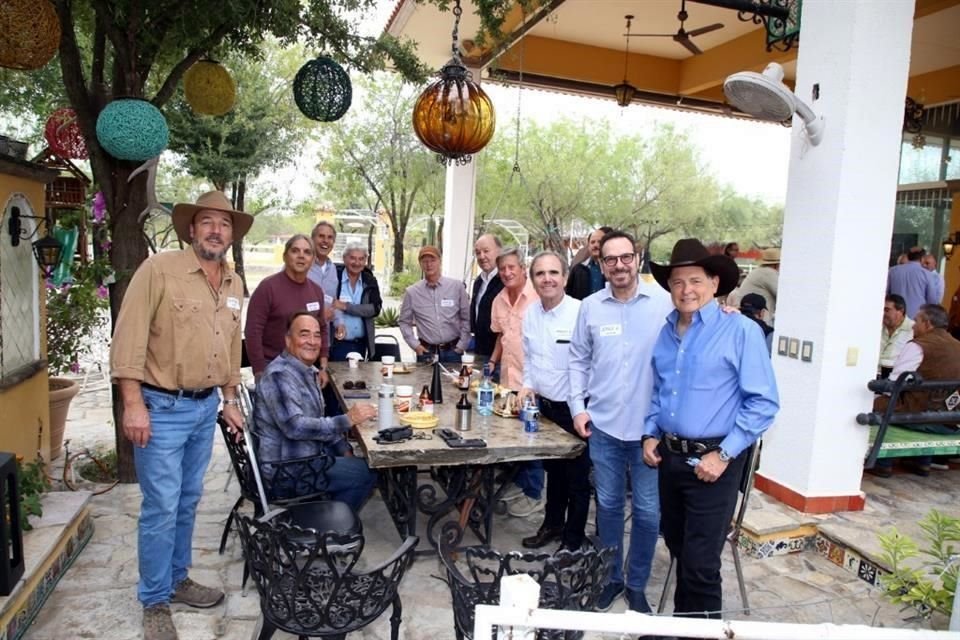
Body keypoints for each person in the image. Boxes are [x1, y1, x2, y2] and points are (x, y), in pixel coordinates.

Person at [110, 190, 252, 640]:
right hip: (160, 407)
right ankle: (154, 600)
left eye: (224, 224)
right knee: (161, 507)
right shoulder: (159, 270)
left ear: (232, 234)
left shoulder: (234, 283)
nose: (216, 230)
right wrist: (133, 404)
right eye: (208, 222)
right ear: (191, 229)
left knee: (188, 501)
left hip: (203, 408)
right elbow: (127, 338)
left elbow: (232, 346)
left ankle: (177, 579)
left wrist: (229, 399)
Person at [643, 238, 779, 622]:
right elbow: (660, 392)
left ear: (715, 284)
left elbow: (764, 403)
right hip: (670, 459)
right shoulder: (667, 332)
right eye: (677, 282)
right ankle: (685, 628)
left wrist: (722, 455)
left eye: (696, 280)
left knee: (701, 563)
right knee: (679, 548)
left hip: (714, 461)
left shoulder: (741, 331)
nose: (686, 290)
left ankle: (699, 631)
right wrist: (649, 433)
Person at [568, 229, 675, 613]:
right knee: (609, 507)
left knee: (648, 513)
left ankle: (637, 583)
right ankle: (611, 578)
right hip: (605, 428)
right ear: (601, 264)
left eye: (625, 257)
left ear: (637, 257)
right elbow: (578, 360)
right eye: (610, 259)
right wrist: (578, 408)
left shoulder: (665, 304)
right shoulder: (591, 307)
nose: (619, 265)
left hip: (650, 433)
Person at [253, 312, 379, 508]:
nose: (312, 342)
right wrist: (347, 419)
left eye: (317, 335)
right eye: (304, 334)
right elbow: (295, 427)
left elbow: (319, 421)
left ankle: (326, 512)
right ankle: (328, 528)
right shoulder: (279, 375)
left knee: (355, 462)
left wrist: (343, 449)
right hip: (288, 470)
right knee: (366, 473)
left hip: (308, 456)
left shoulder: (308, 371)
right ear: (288, 340)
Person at [517, 251, 589, 551]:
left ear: (565, 278)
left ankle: (572, 542)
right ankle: (552, 525)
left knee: (577, 481)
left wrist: (581, 410)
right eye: (540, 274)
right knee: (554, 475)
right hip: (544, 409)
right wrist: (526, 386)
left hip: (575, 411)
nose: (547, 279)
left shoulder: (581, 312)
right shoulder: (531, 314)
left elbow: (589, 364)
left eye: (553, 273)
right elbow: (531, 360)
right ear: (533, 279)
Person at [871, 304, 960, 477]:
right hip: (950, 419)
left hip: (920, 416)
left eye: (917, 320)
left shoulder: (919, 346)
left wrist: (878, 397)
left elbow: (894, 384)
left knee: (879, 404)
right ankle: (922, 462)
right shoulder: (958, 345)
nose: (913, 325)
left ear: (927, 324)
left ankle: (883, 463)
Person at [487, 248, 543, 518]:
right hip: (508, 378)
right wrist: (492, 362)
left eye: (512, 267)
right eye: (503, 269)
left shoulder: (537, 297)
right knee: (512, 435)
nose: (507, 273)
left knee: (532, 437)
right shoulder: (498, 299)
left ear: (523, 268)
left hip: (531, 381)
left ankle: (534, 494)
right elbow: (501, 337)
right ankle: (519, 484)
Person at [245, 234, 329, 380]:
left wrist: (323, 367)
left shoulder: (316, 291)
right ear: (285, 256)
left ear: (313, 260)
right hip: (272, 368)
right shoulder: (268, 287)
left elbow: (322, 328)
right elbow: (253, 332)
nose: (301, 256)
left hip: (306, 370)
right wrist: (259, 371)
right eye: (295, 251)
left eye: (307, 252)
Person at [399, 245, 470, 363]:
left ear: (440, 261)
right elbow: (404, 322)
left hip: (453, 351)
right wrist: (415, 345)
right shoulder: (412, 292)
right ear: (420, 264)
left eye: (433, 260)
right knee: (425, 381)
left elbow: (466, 318)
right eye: (425, 261)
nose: (429, 264)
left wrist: (462, 345)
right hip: (426, 352)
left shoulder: (456, 287)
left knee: (454, 381)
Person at [330, 243, 382, 360]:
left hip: (361, 344)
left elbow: (375, 309)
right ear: (344, 258)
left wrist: (346, 307)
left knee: (359, 378)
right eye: (352, 258)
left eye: (361, 259)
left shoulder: (370, 281)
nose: (357, 263)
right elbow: (329, 303)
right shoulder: (334, 278)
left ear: (365, 261)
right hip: (337, 344)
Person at [471, 234, 505, 360]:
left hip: (500, 354)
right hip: (480, 349)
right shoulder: (479, 281)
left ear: (499, 251)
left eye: (486, 251)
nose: (482, 256)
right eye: (478, 253)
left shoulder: (505, 281)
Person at [727, 247, 780, 322]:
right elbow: (784, 296)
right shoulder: (769, 273)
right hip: (755, 318)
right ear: (777, 265)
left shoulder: (760, 271)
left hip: (746, 315)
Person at [307, 220, 340, 335]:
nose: (325, 241)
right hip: (299, 339)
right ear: (312, 239)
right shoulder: (299, 265)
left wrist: (339, 323)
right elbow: (285, 302)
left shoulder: (333, 269)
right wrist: (319, 314)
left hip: (323, 339)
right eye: (321, 236)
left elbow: (333, 302)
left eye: (330, 237)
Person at [887, 246, 939, 318]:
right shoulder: (927, 274)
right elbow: (932, 301)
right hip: (916, 317)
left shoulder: (892, 271)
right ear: (922, 258)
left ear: (908, 256)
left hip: (895, 314)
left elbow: (886, 293)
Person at [565, 227, 613, 300]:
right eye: (592, 242)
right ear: (588, 246)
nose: (595, 245)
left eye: (599, 242)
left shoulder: (614, 268)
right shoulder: (578, 270)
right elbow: (569, 295)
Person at [878, 294, 914, 379]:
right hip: (871, 375)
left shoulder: (913, 330)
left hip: (896, 380)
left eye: (887, 310)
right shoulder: (877, 326)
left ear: (900, 311)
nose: (883, 313)